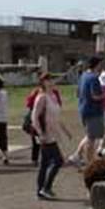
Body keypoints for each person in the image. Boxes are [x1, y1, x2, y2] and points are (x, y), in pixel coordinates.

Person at [32, 72, 72, 200]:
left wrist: (66, 131)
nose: (50, 82)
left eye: (51, 79)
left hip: (54, 133)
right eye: (47, 80)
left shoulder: (53, 96)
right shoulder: (41, 97)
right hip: (46, 135)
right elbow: (35, 117)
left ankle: (41, 190)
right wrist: (40, 133)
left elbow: (57, 116)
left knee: (44, 163)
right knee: (58, 161)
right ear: (42, 83)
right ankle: (46, 187)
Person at [72, 57, 104, 166]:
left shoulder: (83, 76)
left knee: (89, 135)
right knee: (92, 138)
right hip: (93, 111)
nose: (101, 67)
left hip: (84, 109)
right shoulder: (93, 78)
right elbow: (95, 96)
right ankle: (90, 161)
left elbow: (77, 93)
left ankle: (78, 155)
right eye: (100, 64)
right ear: (97, 65)